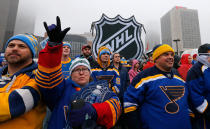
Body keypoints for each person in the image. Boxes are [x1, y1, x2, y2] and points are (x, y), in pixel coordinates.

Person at [35, 16, 121, 129]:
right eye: (77, 70)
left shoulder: (100, 88)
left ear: (90, 72)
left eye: (85, 69)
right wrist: (53, 48)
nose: (81, 73)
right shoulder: (62, 87)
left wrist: (95, 111)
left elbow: (116, 105)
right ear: (71, 74)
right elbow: (48, 79)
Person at [124, 44, 191, 129]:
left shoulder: (179, 78)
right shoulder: (143, 77)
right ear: (156, 58)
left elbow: (187, 102)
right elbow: (129, 103)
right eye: (166, 54)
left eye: (172, 54)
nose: (170, 57)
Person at [0, 34, 46, 128]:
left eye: (22, 46)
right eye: (11, 45)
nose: (15, 49)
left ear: (32, 53)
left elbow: (13, 104)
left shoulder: (39, 77)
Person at [186, 43, 210, 129]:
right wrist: (207, 111)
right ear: (203, 56)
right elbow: (195, 96)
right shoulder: (195, 71)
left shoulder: (208, 68)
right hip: (203, 117)